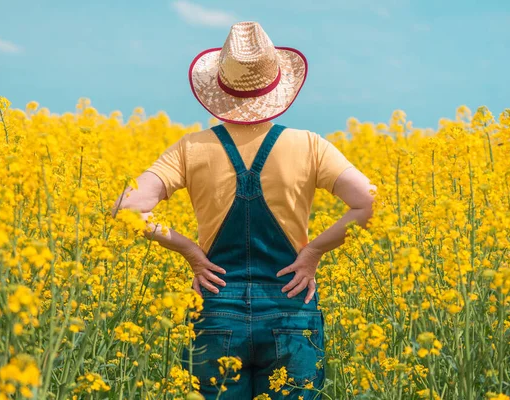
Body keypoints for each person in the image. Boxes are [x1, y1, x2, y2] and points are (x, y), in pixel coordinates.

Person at [114, 21, 376, 400]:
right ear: (277, 87)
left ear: (220, 88)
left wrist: (190, 250)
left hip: (216, 309)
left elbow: (125, 208)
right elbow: (370, 202)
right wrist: (314, 252)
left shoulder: (192, 148)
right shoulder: (309, 145)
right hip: (290, 306)